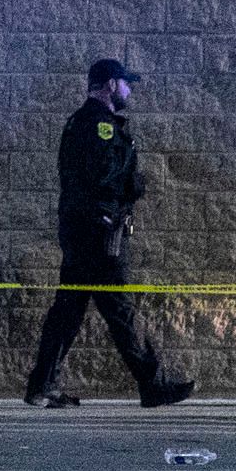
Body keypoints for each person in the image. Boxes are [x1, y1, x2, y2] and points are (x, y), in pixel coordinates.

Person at [24, 58, 196, 410]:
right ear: (109, 85)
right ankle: (152, 384)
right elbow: (103, 177)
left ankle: (41, 385)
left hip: (84, 231)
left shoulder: (83, 123)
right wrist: (132, 186)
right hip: (98, 234)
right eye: (125, 83)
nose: (129, 90)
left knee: (68, 311)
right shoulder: (98, 126)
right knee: (119, 309)